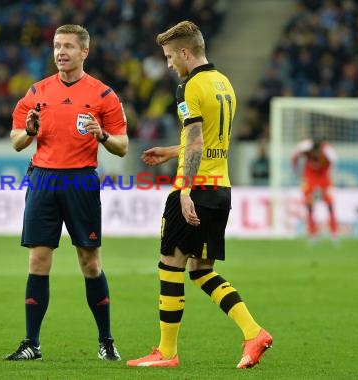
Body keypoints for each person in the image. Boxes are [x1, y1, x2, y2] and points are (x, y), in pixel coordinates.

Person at [126, 21, 273, 369]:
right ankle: (254, 333)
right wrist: (169, 150)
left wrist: (185, 190)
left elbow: (195, 141)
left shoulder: (188, 87)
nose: (168, 64)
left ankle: (166, 352)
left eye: (169, 57)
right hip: (220, 187)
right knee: (201, 270)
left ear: (185, 53)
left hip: (195, 189)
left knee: (169, 265)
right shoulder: (223, 84)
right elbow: (207, 139)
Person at [5, 24, 128, 362]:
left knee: (89, 262)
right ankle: (31, 343)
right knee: (38, 259)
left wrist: (101, 135)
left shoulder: (103, 95)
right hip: (43, 180)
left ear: (84, 52)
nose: (60, 52)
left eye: (68, 46)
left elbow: (122, 146)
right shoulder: (36, 92)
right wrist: (28, 131)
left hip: (81, 180)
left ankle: (106, 341)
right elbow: (16, 141)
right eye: (57, 46)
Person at [291, 138, 338, 241]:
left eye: (318, 152)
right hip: (311, 182)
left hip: (324, 182)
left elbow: (334, 160)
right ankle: (313, 233)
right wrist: (297, 171)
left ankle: (334, 233)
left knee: (330, 207)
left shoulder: (326, 155)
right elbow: (294, 157)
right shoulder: (306, 153)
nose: (315, 154)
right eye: (314, 152)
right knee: (309, 207)